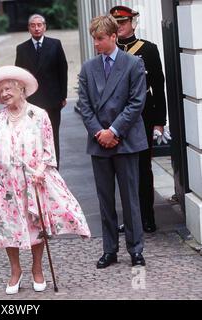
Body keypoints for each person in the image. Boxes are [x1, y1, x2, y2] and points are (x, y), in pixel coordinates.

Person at [0, 66, 91, 294]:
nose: (4, 94)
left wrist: (41, 170)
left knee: (35, 224)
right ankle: (15, 271)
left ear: (20, 88)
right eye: (0, 90)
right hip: (6, 181)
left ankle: (37, 269)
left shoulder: (39, 115)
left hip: (32, 181)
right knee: (7, 226)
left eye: (8, 89)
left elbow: (48, 151)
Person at [78, 15, 148, 269]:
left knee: (131, 199)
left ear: (113, 37)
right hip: (99, 142)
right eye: (94, 39)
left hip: (126, 140)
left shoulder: (133, 64)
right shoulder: (88, 68)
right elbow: (84, 106)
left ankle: (136, 249)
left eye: (100, 39)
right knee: (104, 199)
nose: (96, 44)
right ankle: (110, 250)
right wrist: (100, 133)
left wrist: (114, 131)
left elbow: (136, 102)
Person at [110, 5, 167, 233]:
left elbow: (158, 87)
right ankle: (131, 218)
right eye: (115, 24)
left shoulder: (148, 49)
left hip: (144, 116)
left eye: (123, 22)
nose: (119, 27)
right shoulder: (110, 51)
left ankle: (148, 217)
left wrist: (160, 121)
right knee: (124, 170)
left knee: (143, 168)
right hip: (118, 119)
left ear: (132, 22)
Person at [15, 14, 68, 167]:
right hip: (32, 100)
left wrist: (63, 95)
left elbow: (62, 70)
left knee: (52, 135)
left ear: (45, 27)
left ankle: (54, 167)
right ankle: (36, 166)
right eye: (33, 25)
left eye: (40, 25)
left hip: (52, 99)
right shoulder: (22, 48)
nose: (37, 28)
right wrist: (21, 98)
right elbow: (19, 76)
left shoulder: (55, 44)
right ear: (28, 28)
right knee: (33, 135)